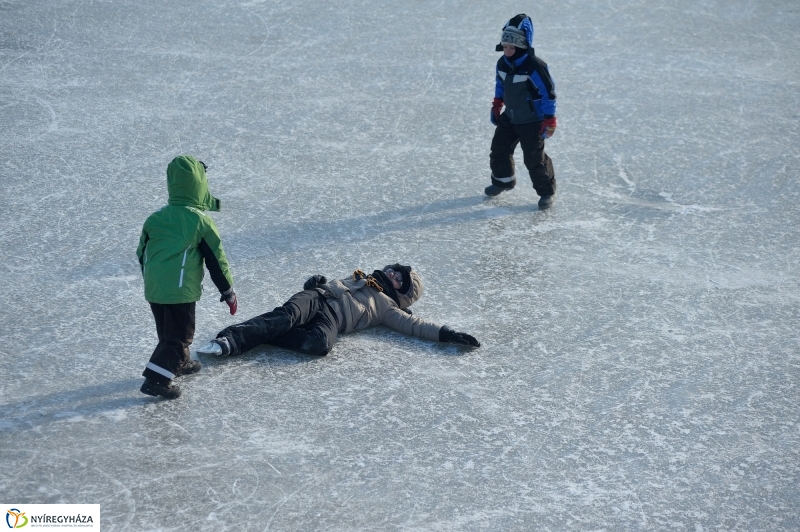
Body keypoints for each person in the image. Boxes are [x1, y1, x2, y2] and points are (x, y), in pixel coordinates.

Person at [197, 264, 480, 358]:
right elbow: (333, 284)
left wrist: (447, 333)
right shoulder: (360, 275)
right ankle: (230, 341)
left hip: (333, 320)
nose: (393, 274)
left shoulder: (389, 309)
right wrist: (316, 284)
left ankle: (263, 334)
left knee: (320, 345)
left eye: (399, 279)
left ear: (402, 293)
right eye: (396, 270)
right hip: (317, 298)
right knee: (287, 316)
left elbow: (416, 326)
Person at [136, 155, 238, 400]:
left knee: (167, 332)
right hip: (180, 291)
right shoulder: (200, 221)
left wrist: (153, 279)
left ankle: (179, 362)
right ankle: (156, 379)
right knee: (180, 335)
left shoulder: (155, 218)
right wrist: (228, 293)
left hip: (154, 287)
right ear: (200, 185)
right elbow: (216, 261)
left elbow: (141, 253)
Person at [486, 14, 558, 209]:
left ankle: (546, 192)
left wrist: (549, 118)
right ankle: (503, 181)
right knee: (499, 149)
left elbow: (548, 93)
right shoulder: (502, 63)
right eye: (505, 46)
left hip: (532, 120)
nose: (507, 51)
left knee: (534, 158)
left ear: (522, 45)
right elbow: (500, 85)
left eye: (512, 47)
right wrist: (497, 104)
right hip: (510, 116)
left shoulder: (534, 66)